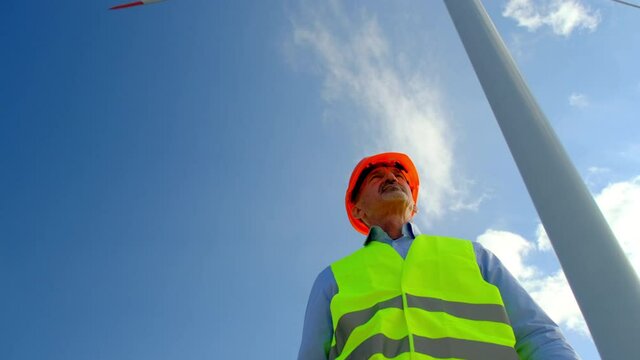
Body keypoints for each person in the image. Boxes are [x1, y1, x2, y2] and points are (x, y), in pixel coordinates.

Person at [298, 152, 579, 360]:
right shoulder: (332, 280)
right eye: (377, 177)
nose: (391, 178)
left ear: (414, 206)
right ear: (358, 210)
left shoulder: (475, 256)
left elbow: (537, 336)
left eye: (398, 176)